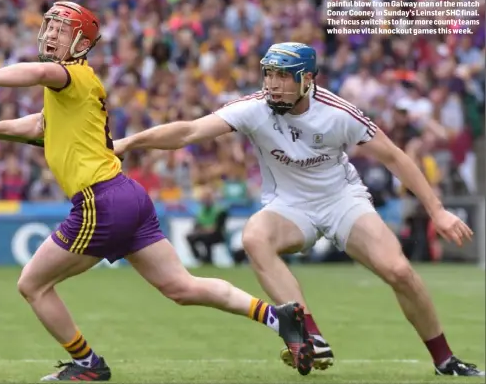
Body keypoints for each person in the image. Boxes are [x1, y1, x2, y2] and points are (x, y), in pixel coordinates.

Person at [0, 3, 314, 381]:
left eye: (61, 31)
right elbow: (38, 125)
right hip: (127, 195)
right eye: (49, 27)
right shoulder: (71, 89)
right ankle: (279, 317)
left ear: (81, 43)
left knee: (33, 285)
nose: (51, 35)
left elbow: (37, 72)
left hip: (99, 201)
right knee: (181, 287)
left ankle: (88, 365)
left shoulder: (67, 75)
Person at [113, 42, 484, 377]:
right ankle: (308, 334)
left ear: (307, 79)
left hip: (342, 200)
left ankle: (444, 360)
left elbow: (394, 157)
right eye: (269, 74)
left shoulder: (339, 113)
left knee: (399, 271)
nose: (272, 84)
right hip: (289, 206)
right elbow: (189, 131)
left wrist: (437, 211)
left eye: (282, 77)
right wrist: (129, 142)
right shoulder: (254, 108)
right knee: (255, 237)